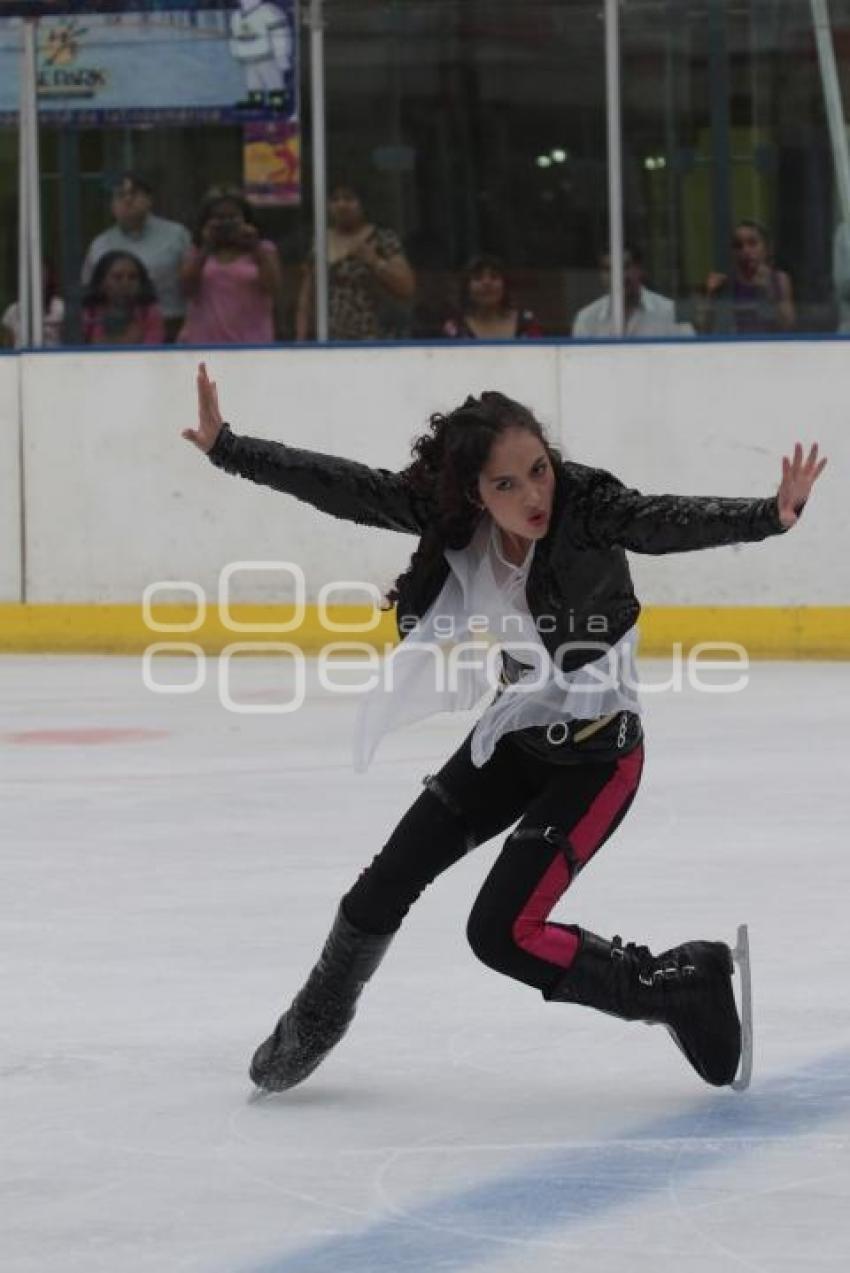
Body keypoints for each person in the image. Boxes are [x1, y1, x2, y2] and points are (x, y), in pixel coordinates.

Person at [183, 363, 826, 1095]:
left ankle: (675, 984)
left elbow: (658, 521)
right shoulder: (450, 517)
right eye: (507, 484)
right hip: (515, 740)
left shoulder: (586, 506)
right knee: (380, 888)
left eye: (539, 470)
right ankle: (315, 1021)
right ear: (472, 493)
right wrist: (228, 447)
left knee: (500, 934)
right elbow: (348, 488)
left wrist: (766, 515)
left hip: (597, 760)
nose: (533, 495)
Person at [296, 182, 416, 341]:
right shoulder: (320, 241)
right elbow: (307, 296)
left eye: (349, 198)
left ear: (363, 204)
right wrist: (300, 339)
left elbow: (406, 287)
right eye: (335, 199)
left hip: (372, 340)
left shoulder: (382, 239)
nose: (341, 205)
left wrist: (374, 262)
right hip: (328, 342)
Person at [81, 173, 191, 342]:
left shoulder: (177, 236)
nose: (127, 200)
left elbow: (194, 287)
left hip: (173, 329)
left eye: (134, 193)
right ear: (112, 205)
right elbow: (90, 292)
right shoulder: (99, 245)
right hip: (111, 334)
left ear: (149, 199)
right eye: (120, 195)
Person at [178, 187, 283, 345]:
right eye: (219, 218)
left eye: (232, 217)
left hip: (253, 343)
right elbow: (186, 289)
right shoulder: (196, 252)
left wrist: (255, 248)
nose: (226, 224)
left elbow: (273, 288)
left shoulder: (264, 249)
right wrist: (206, 248)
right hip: (204, 342)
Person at [701, 220, 795, 335]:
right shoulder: (725, 283)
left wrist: (769, 291)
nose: (745, 251)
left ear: (766, 248)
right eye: (738, 246)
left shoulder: (778, 280)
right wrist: (709, 295)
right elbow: (704, 330)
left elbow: (788, 326)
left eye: (752, 243)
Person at [572, 246, 689, 338]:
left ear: (640, 269)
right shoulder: (587, 318)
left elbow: (692, 358)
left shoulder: (674, 312)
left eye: (625, 267)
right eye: (608, 269)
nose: (617, 276)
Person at [442, 255, 544, 340]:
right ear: (467, 287)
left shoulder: (527, 322)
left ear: (505, 285)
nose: (487, 283)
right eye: (478, 278)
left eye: (494, 277)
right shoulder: (455, 327)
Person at [82, 250, 164, 346]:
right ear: (101, 283)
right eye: (117, 277)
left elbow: (153, 352)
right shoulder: (88, 314)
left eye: (132, 277)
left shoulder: (148, 314)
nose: (125, 284)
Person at [1, 263, 64, 348]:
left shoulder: (59, 307)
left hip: (53, 359)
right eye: (33, 277)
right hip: (21, 360)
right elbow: (7, 348)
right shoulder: (12, 311)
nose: (37, 281)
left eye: (42, 276)